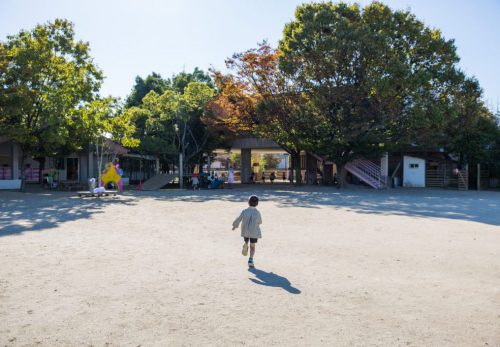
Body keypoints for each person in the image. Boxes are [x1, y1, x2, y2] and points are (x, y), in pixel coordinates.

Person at [232, 195, 262, 268]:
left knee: (246, 239)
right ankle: (251, 259)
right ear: (257, 203)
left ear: (248, 203)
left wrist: (235, 226)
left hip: (245, 231)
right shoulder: (257, 212)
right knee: (252, 246)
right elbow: (260, 221)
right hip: (253, 232)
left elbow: (239, 218)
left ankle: (245, 244)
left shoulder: (244, 211)